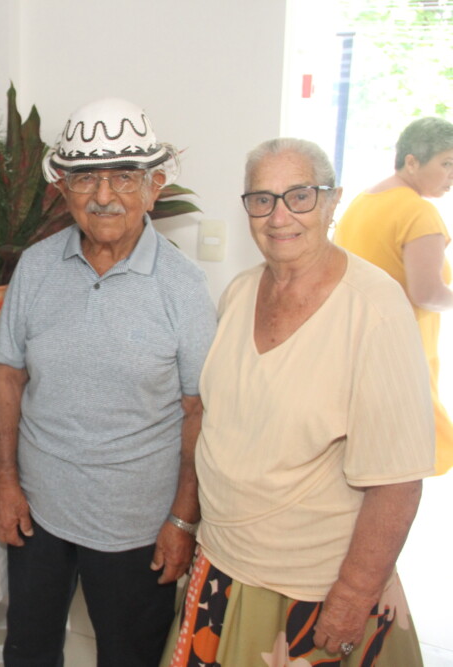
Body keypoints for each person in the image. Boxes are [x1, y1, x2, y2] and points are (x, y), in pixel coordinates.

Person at [164, 138, 433, 666]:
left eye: (300, 196)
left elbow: (398, 483)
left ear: (332, 201)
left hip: (311, 589)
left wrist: (353, 596)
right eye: (262, 199)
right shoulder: (240, 292)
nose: (279, 215)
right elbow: (212, 423)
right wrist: (186, 523)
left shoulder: (375, 310)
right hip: (221, 564)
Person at [0, 97, 217, 666]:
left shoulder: (184, 286)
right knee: (29, 652)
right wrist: (3, 480)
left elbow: (199, 411)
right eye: (85, 178)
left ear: (154, 187)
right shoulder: (36, 267)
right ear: (62, 189)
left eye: (124, 177)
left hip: (138, 524)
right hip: (38, 510)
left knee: (129, 656)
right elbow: (9, 378)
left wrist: (183, 517)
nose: (104, 195)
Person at [333, 117, 453, 476]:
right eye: (446, 163)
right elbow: (427, 293)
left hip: (354, 346)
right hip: (402, 354)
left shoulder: (362, 201)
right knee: (405, 462)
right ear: (411, 161)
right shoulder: (418, 212)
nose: (451, 176)